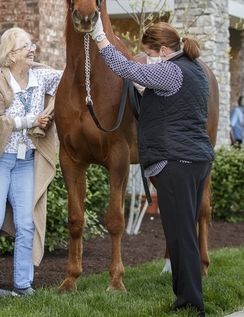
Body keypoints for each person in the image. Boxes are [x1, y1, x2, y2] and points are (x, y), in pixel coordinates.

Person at [91, 19, 213, 317]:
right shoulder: (195, 69)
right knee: (183, 232)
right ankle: (185, 297)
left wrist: (100, 39)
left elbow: (126, 69)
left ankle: (192, 305)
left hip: (177, 163)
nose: (147, 59)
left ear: (162, 50)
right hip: (197, 161)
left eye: (148, 53)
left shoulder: (170, 71)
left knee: (181, 235)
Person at [0, 27, 62, 296]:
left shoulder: (40, 76)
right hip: (1, 162)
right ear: (12, 54)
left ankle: (22, 285)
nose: (32, 50)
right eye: (26, 46)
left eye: (32, 44)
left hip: (27, 161)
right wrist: (32, 121)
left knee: (27, 223)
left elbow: (69, 79)